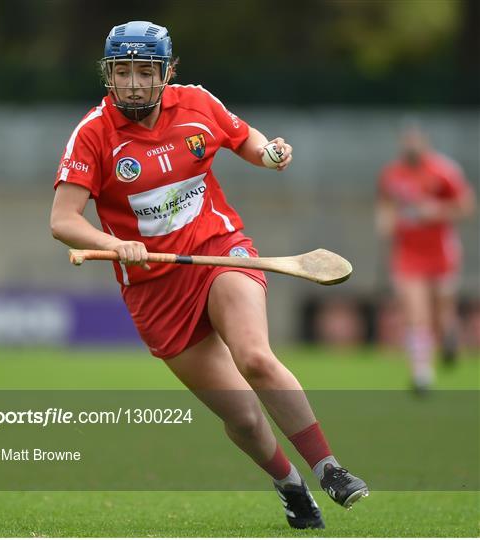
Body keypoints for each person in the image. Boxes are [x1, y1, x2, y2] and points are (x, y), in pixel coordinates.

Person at [51, 20, 368, 530]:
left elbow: (243, 138)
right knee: (241, 416)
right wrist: (116, 246)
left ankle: (330, 468)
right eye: (123, 71)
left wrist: (268, 153)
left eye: (145, 71)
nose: (133, 83)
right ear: (108, 74)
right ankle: (290, 483)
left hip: (220, 252)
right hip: (154, 290)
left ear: (168, 71)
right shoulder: (94, 134)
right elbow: (62, 221)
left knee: (255, 357)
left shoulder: (197, 103)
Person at [376, 124, 476, 392]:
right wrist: (385, 221)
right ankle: (422, 372)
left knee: (443, 311)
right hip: (408, 252)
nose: (411, 146)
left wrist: (437, 211)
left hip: (441, 251)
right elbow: (386, 205)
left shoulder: (443, 171)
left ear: (424, 143)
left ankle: (449, 338)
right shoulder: (392, 174)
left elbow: (466, 204)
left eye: (415, 141)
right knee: (416, 312)